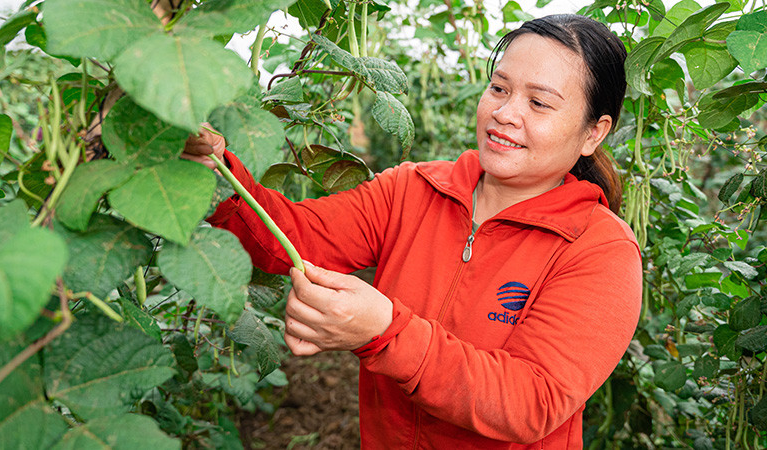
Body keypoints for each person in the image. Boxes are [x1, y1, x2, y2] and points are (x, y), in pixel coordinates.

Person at [183, 14, 642, 449]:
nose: (505, 113)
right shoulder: (413, 189)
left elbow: (529, 401)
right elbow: (294, 238)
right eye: (499, 88)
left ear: (593, 133)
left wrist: (385, 331)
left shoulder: (600, 249)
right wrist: (217, 174)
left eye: (538, 103)